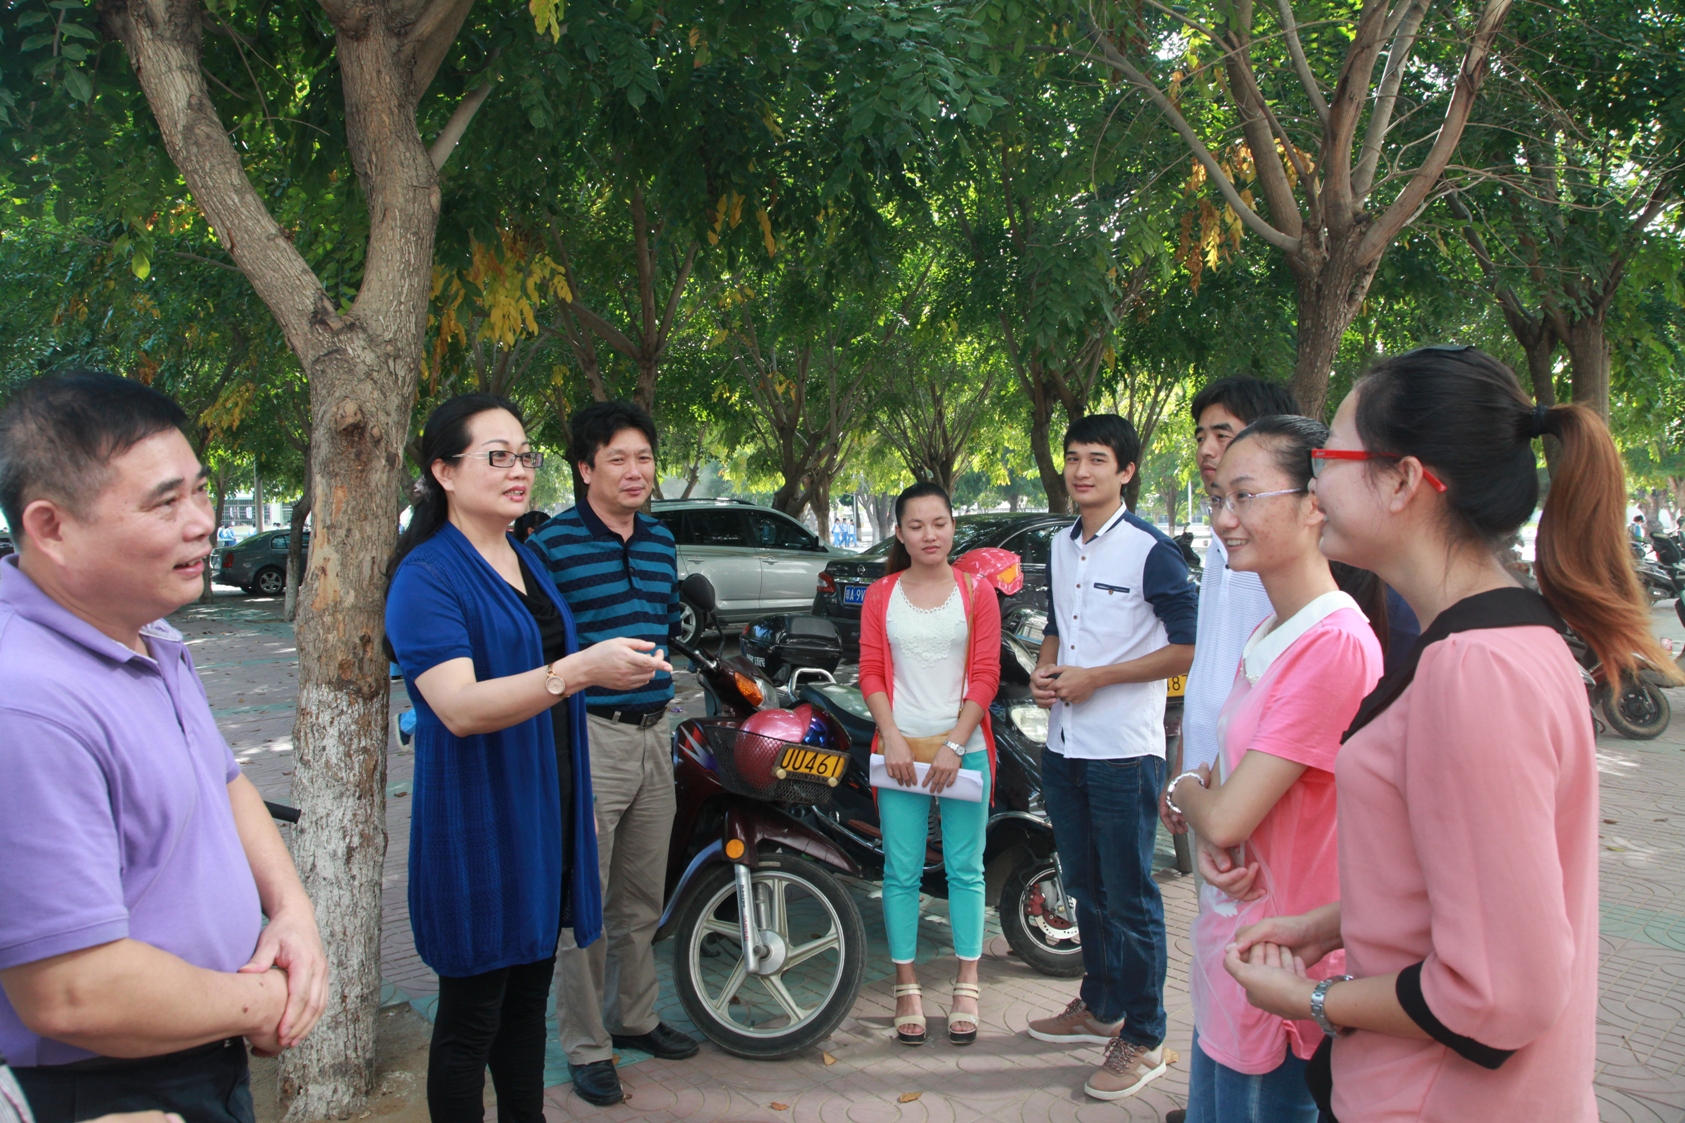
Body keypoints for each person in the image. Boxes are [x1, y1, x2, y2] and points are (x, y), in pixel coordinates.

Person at [1223, 347, 1681, 1121]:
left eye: (1328, 456)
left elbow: (1499, 990)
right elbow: (1476, 881)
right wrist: (1330, 922)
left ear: (1402, 480)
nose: (1314, 484)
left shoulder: (1474, 671)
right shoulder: (1488, 642)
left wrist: (1315, 997)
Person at [0, 372, 327, 1123]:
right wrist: (266, 998)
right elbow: (72, 992)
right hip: (109, 1092)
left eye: (201, 492)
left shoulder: (145, 634)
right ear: (51, 526)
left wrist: (291, 913)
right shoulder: (27, 702)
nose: (202, 522)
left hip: (201, 1052)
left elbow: (225, 780)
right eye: (165, 501)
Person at [384, 394, 667, 1123]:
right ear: (444, 470)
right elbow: (458, 705)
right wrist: (579, 670)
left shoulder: (523, 557)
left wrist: (580, 817)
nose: (517, 470)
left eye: (523, 455)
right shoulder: (428, 574)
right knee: (470, 1025)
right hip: (480, 824)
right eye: (496, 455)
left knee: (523, 1019)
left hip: (547, 816)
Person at [1165, 416, 1384, 1122]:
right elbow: (1224, 799)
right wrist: (1199, 799)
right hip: (1234, 955)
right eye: (1218, 499)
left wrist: (1192, 792)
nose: (1225, 518)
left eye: (1245, 496)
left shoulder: (1333, 645)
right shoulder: (1270, 633)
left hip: (1286, 970)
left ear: (1313, 501)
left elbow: (1225, 805)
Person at [528, 401, 697, 1107]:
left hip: (653, 731)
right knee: (586, 902)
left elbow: (659, 628)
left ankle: (635, 1016)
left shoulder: (660, 541)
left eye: (645, 457)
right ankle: (587, 1044)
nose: (636, 471)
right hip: (588, 739)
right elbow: (542, 645)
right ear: (584, 467)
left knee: (640, 895)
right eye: (619, 458)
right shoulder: (551, 546)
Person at [1026, 414, 1198, 1101]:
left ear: (1126, 470)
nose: (1080, 470)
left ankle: (1146, 1033)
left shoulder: (1150, 550)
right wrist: (1046, 668)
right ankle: (1099, 1003)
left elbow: (1187, 645)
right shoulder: (1061, 546)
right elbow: (1057, 627)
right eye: (1072, 457)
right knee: (1084, 885)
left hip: (1123, 754)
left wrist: (1098, 677)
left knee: (1129, 896)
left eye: (1096, 458)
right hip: (1064, 746)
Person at [857, 482, 1003, 1047]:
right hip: (898, 755)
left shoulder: (976, 592)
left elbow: (986, 673)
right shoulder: (881, 595)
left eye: (938, 523)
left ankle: (968, 982)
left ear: (952, 526)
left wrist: (954, 745)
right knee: (901, 872)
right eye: (915, 526)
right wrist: (891, 737)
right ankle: (906, 986)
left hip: (963, 750)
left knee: (967, 870)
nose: (929, 535)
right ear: (899, 532)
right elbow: (870, 670)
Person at [1161, 377, 1299, 862]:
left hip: (1249, 788)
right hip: (1204, 781)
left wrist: (1209, 784)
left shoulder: (1282, 550)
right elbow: (1209, 667)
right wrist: (1180, 773)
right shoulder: (1223, 540)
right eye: (1200, 436)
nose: (1207, 448)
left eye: (1223, 434)